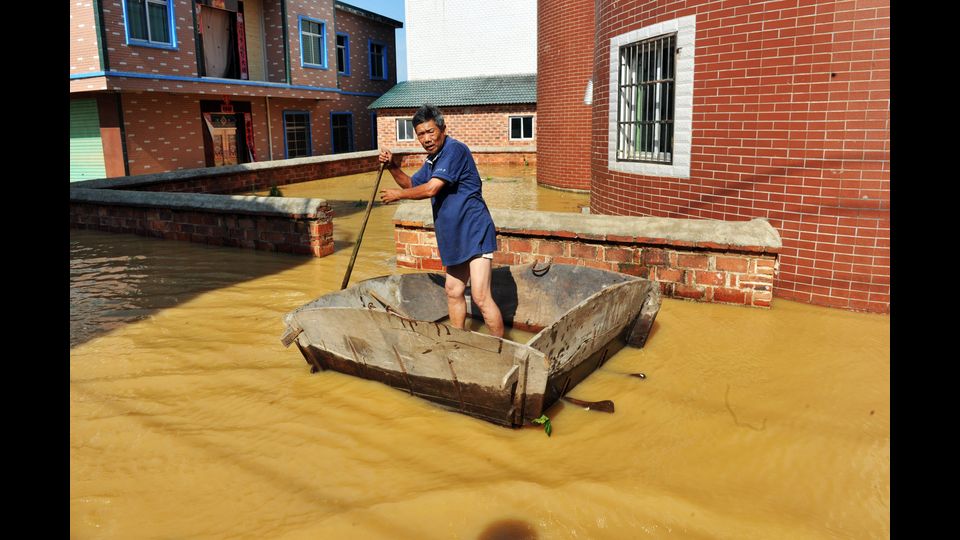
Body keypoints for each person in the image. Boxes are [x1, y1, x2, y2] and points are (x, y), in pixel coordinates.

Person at [378, 104, 504, 338]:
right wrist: (392, 166)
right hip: (455, 235)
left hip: (474, 230)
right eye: (420, 134)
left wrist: (398, 196)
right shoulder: (433, 159)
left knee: (480, 296)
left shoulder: (454, 150)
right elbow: (412, 185)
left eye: (430, 132)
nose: (426, 139)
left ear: (443, 129)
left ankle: (503, 353)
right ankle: (458, 341)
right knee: (453, 290)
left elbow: (432, 189)